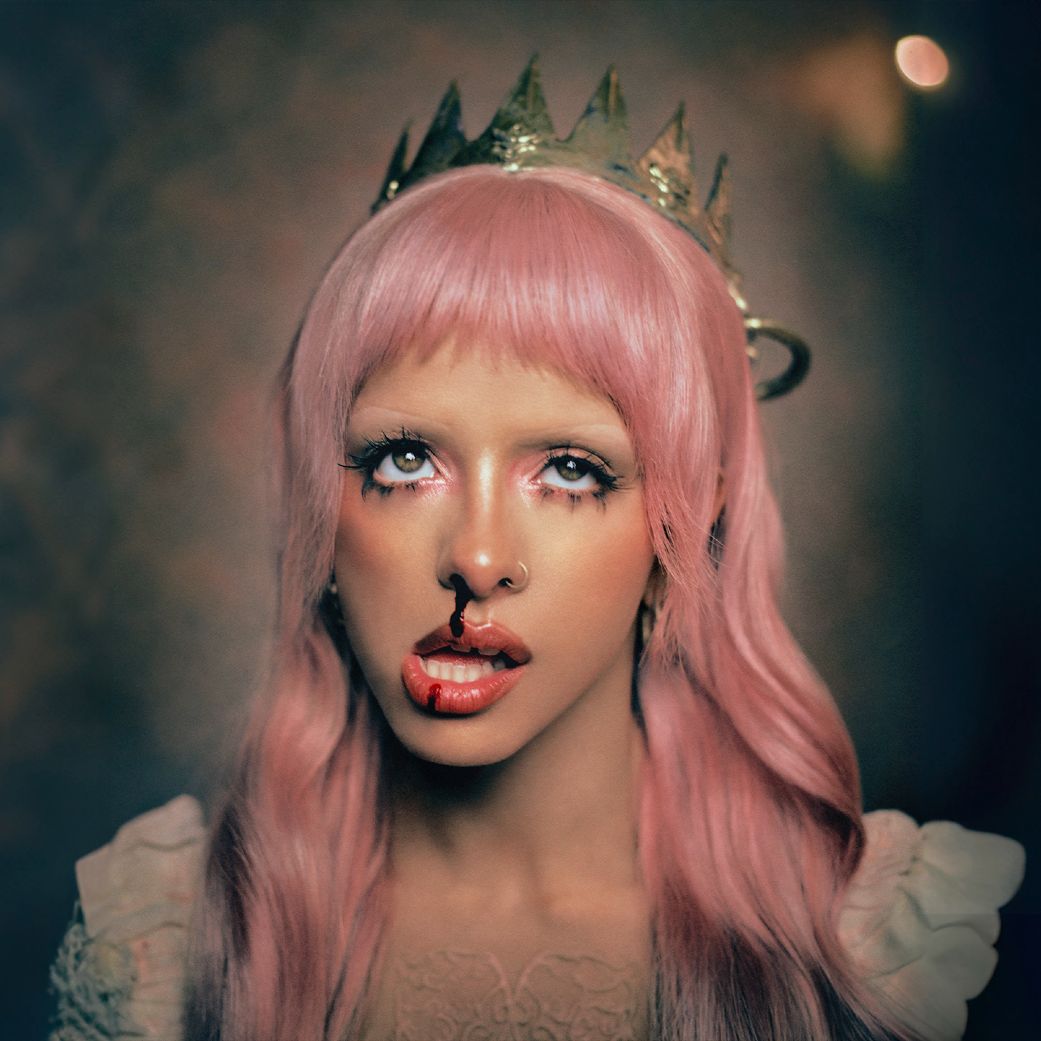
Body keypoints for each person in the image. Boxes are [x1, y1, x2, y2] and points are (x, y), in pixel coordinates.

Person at [50, 63, 1023, 1041]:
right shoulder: (161, 940)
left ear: (688, 517)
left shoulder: (879, 944)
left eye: (568, 470)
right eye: (404, 460)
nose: (477, 558)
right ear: (322, 503)